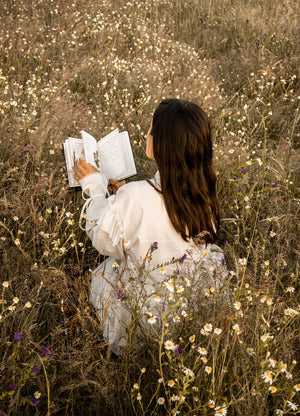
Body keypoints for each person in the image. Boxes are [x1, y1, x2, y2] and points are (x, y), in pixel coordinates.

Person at [73, 98, 227, 354]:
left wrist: (94, 187)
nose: (147, 134)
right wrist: (126, 196)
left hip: (141, 322)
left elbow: (101, 238)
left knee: (105, 272)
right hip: (188, 312)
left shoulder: (136, 196)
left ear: (163, 144)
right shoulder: (203, 193)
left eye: (151, 129)